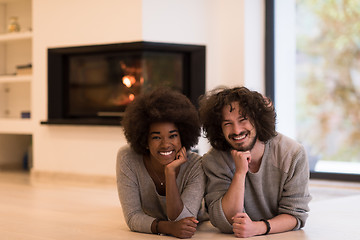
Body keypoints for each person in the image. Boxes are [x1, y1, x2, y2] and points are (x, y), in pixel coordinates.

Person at [198, 86, 311, 238]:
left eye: (243, 120)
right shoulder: (214, 160)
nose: (237, 130)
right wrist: (239, 173)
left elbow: (295, 215)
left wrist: (259, 227)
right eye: (227, 124)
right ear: (219, 129)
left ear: (257, 120)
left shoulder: (292, 153)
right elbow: (224, 221)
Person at [116, 87, 207, 239]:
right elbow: (132, 217)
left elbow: (182, 221)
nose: (166, 144)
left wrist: (170, 173)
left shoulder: (196, 165)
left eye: (173, 136)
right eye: (156, 137)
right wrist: (167, 228)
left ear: (183, 137)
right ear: (145, 140)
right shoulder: (128, 157)